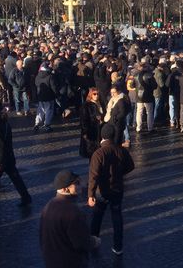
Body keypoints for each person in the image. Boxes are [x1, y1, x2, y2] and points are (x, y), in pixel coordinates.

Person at [88, 124, 135, 255]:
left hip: (102, 191)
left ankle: (94, 240)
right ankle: (118, 246)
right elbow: (131, 166)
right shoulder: (121, 150)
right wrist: (119, 173)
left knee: (97, 216)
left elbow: (93, 175)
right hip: (117, 189)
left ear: (102, 136)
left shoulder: (98, 153)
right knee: (117, 217)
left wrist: (90, 194)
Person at [40, 170, 101, 268]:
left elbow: (42, 238)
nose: (81, 185)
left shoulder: (48, 206)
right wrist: (94, 241)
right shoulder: (73, 212)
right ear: (65, 189)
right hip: (71, 262)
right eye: (76, 183)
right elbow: (81, 242)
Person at [0, 103, 31, 206]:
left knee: (16, 178)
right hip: (9, 157)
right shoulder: (5, 123)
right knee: (16, 179)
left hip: (1, 160)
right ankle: (26, 198)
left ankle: (26, 198)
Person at [79, 87, 103, 158]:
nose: (96, 95)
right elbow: (83, 120)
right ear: (90, 95)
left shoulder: (101, 103)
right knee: (92, 154)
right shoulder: (86, 106)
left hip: (100, 131)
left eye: (97, 94)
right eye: (94, 94)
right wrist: (85, 132)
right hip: (92, 132)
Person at [34, 61, 57, 132]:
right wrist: (56, 94)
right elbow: (53, 87)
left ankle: (37, 123)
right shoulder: (50, 76)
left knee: (40, 110)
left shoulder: (38, 75)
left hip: (40, 96)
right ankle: (47, 124)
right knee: (49, 111)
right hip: (49, 96)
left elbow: (36, 84)